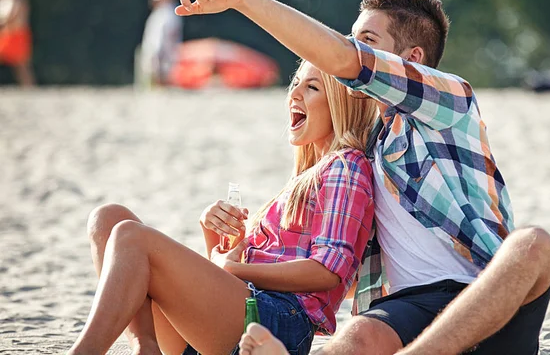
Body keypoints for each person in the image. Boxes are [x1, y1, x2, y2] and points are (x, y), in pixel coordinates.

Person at [158, 0, 550, 355]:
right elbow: (329, 254)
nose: (354, 51)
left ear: (412, 58)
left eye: (368, 39)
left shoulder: (449, 99)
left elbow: (340, 58)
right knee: (359, 336)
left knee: (533, 244)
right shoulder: (364, 153)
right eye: (353, 39)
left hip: (487, 293)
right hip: (408, 307)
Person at [68, 60, 378, 355]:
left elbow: (328, 272)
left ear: (342, 104)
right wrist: (215, 237)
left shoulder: (346, 166)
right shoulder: (308, 174)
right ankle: (145, 346)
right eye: (295, 83)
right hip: (238, 313)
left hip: (279, 322)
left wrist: (234, 268)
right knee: (108, 219)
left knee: (131, 236)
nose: (294, 94)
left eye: (312, 88)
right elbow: (225, 273)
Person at [136, 0, 182, 88]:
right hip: (160, 58)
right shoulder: (161, 12)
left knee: (158, 89)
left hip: (161, 60)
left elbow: (161, 40)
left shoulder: (167, 14)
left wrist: (157, 60)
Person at [0, 0, 35, 86]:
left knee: (21, 64)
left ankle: (28, 86)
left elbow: (14, 16)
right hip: (7, 33)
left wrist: (5, 23)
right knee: (20, 64)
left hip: (17, 33)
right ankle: (28, 86)